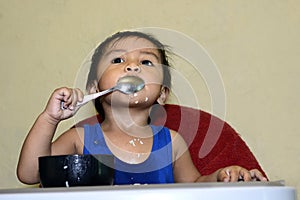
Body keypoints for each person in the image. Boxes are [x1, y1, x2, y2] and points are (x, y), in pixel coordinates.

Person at [17, 31, 267, 185]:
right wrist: (49, 119)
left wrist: (222, 176)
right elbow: (29, 174)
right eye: (118, 60)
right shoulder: (80, 139)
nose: (132, 66)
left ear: (162, 94)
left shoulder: (172, 142)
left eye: (146, 61)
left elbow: (195, 184)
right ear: (94, 88)